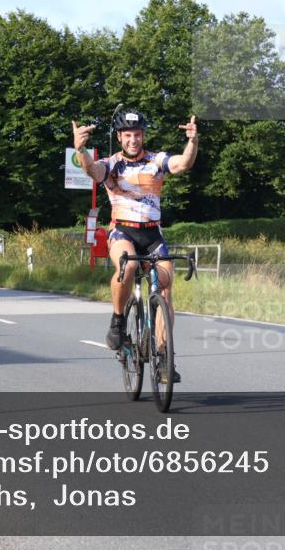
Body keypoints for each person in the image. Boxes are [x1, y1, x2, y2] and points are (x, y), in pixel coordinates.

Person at [72, 109, 198, 383]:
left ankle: (163, 357)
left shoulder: (156, 160)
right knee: (126, 266)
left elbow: (182, 164)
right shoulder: (111, 164)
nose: (133, 140)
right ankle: (118, 320)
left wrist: (192, 142)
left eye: (137, 134)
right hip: (123, 231)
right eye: (128, 135)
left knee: (166, 286)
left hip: (152, 234)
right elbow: (92, 171)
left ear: (143, 136)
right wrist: (81, 150)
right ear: (119, 137)